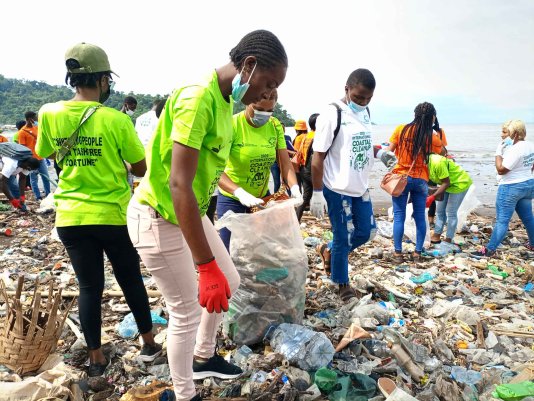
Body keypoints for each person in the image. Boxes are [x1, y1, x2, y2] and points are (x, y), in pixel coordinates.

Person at [127, 30, 288, 401]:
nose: (267, 95)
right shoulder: (198, 96)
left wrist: (214, 267)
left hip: (189, 213)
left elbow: (206, 177)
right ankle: (185, 394)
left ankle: (204, 356)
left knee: (227, 281)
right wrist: (203, 266)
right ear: (248, 66)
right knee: (185, 309)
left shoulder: (222, 103)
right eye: (268, 84)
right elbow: (179, 183)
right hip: (159, 214)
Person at [36, 42, 161, 377]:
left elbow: (47, 153)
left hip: (71, 217)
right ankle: (149, 343)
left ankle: (96, 359)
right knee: (130, 279)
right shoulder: (117, 120)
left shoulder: (49, 113)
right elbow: (140, 168)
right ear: (104, 79)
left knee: (89, 286)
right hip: (113, 216)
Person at [310, 68, 396, 301]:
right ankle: (342, 284)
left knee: (367, 232)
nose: (363, 101)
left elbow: (362, 145)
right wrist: (317, 193)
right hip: (336, 188)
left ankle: (328, 250)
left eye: (368, 98)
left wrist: (380, 154)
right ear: (346, 88)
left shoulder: (365, 112)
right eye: (358, 97)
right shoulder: (332, 114)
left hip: (359, 186)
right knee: (342, 236)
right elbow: (317, 156)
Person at [217, 90, 300, 250]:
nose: (264, 114)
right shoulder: (232, 125)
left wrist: (295, 187)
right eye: (259, 109)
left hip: (261, 199)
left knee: (257, 250)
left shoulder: (274, 125)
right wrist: (239, 192)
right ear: (247, 102)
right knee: (228, 249)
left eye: (270, 111)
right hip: (232, 198)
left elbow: (285, 162)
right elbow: (217, 169)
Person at [388, 102, 444, 263]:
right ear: (432, 118)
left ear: (415, 114)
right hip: (421, 179)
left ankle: (398, 253)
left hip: (401, 177)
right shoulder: (432, 137)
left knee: (399, 216)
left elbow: (388, 153)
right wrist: (435, 128)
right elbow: (441, 152)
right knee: (420, 216)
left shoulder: (401, 129)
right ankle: (417, 253)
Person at [472, 120, 534, 257]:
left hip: (511, 187)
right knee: (528, 218)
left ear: (515, 134)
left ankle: (489, 250)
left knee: (502, 220)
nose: (502, 135)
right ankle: (533, 244)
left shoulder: (515, 149)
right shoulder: (530, 145)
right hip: (528, 184)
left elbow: (501, 170)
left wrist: (498, 153)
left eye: (506, 132)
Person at [427, 154, 472, 244]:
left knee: (451, 212)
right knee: (440, 211)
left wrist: (432, 197)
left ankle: (448, 238)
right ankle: (437, 234)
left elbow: (446, 183)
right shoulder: (423, 165)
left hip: (459, 182)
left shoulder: (437, 162)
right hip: (447, 184)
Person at [18, 111, 51, 200]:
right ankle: (38, 196)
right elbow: (23, 148)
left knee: (46, 177)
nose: (36, 120)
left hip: (40, 158)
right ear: (30, 119)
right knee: (34, 179)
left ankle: (48, 195)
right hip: (31, 160)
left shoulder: (37, 128)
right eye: (35, 118)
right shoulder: (22, 132)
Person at [295, 113, 318, 221]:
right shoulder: (318, 136)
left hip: (304, 169)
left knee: (306, 196)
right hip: (312, 171)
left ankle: (296, 220)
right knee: (328, 195)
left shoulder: (306, 136)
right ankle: (334, 224)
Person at [427, 117, 449, 224]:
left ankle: (430, 218)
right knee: (426, 190)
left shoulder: (439, 132)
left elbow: (443, 150)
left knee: (431, 190)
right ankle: (424, 217)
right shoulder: (423, 130)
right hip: (426, 163)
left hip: (434, 164)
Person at [270, 124, 296, 193]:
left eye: (283, 128)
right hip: (274, 163)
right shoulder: (272, 138)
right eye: (280, 128)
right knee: (277, 183)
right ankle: (276, 198)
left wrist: (291, 152)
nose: (281, 130)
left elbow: (292, 149)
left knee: (287, 181)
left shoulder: (288, 137)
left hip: (285, 162)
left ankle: (291, 197)